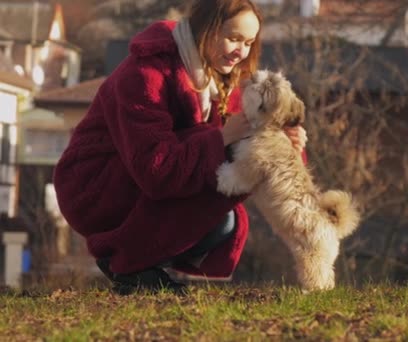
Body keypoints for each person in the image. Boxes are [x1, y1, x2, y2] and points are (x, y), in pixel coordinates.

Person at [53, 0, 307, 295]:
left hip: (135, 181)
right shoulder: (145, 73)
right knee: (219, 205)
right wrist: (222, 137)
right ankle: (126, 263)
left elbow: (254, 140)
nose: (241, 51)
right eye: (233, 38)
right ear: (205, 29)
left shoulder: (221, 76)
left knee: (226, 219)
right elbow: (155, 168)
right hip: (94, 187)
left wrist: (290, 145)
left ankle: (138, 269)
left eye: (249, 42)